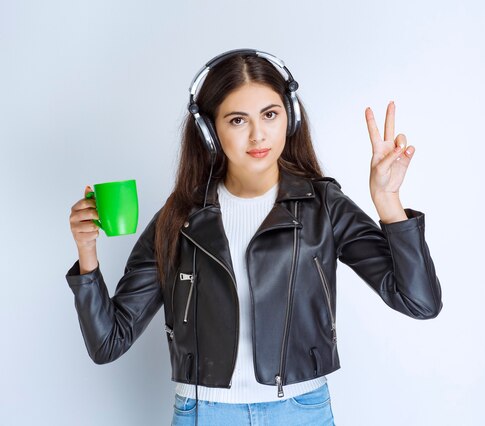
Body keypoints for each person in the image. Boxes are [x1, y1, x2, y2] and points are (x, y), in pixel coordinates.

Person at [66, 49, 443, 426]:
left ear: (290, 117)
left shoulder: (323, 205)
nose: (258, 134)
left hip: (301, 410)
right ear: (209, 131)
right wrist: (87, 252)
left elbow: (420, 302)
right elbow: (108, 343)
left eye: (270, 114)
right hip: (204, 413)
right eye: (237, 120)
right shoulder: (178, 217)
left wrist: (389, 202)